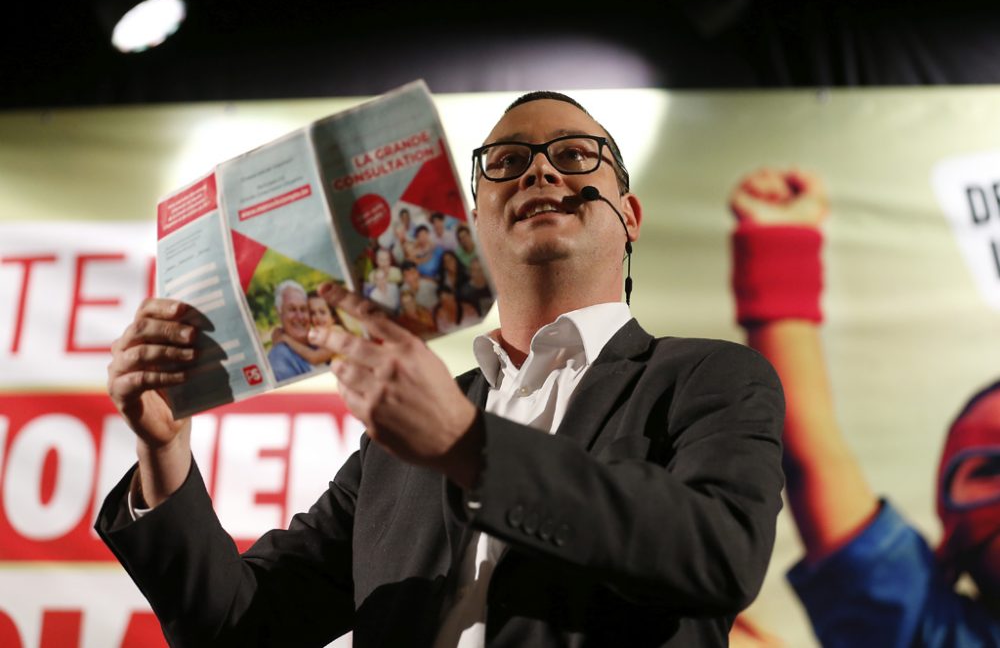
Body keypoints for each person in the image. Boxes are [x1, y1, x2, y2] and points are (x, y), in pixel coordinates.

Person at [99, 91, 785, 647]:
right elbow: (238, 628)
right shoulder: (400, 441)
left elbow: (719, 554)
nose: (541, 172)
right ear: (475, 219)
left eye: (575, 156)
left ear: (629, 216)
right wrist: (163, 450)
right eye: (508, 162)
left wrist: (466, 446)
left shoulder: (711, 377)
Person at [728, 167, 1000, 646]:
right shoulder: (922, 629)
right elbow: (813, 453)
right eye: (991, 469)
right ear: (950, 543)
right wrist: (779, 241)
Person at [265, 279, 315, 381]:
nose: (300, 316)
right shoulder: (279, 356)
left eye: (303, 309)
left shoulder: (319, 342)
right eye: (292, 309)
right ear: (279, 313)